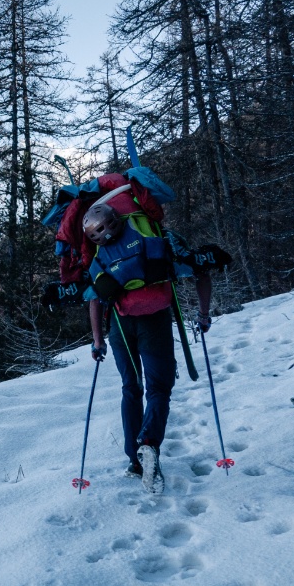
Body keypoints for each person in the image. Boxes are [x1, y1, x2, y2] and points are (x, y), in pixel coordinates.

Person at [84, 201, 212, 493]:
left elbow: (94, 298)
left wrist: (97, 340)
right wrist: (203, 314)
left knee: (131, 388)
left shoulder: (100, 254)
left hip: (119, 325)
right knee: (158, 388)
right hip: (154, 319)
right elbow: (200, 272)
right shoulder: (155, 237)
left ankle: (135, 461)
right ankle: (149, 443)